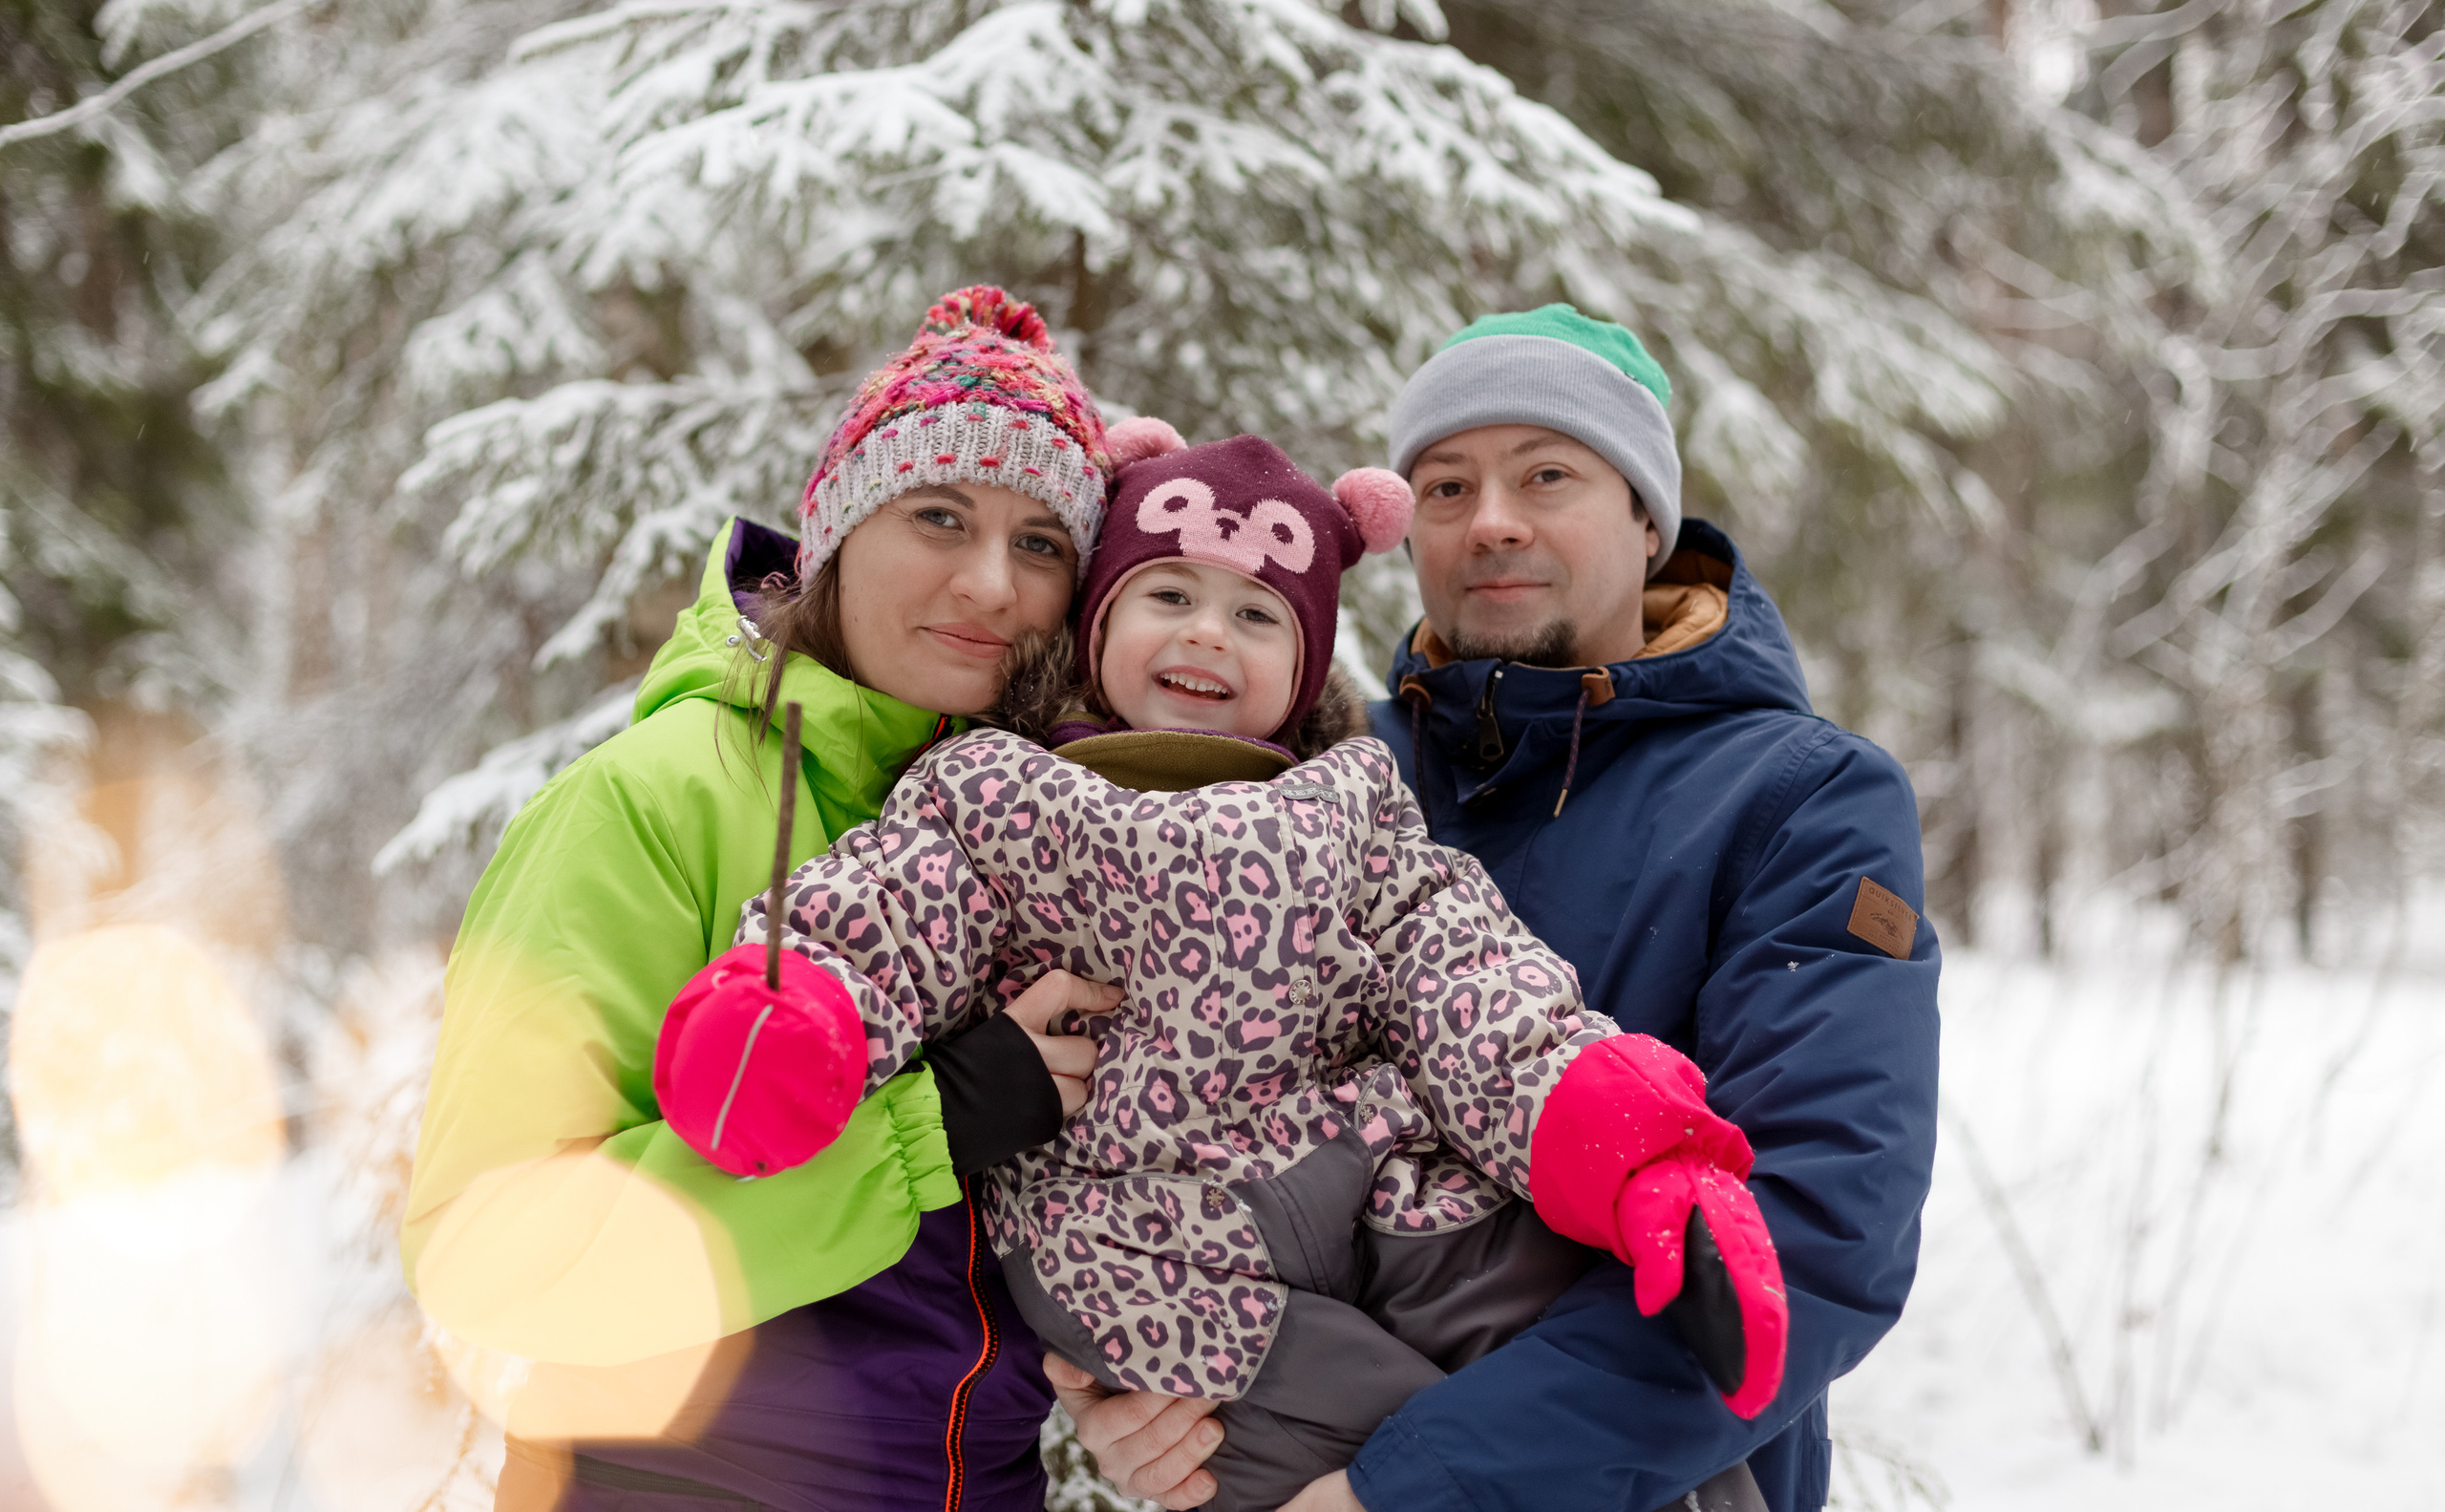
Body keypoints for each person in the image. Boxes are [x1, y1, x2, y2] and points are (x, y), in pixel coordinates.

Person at [654, 429, 1791, 1512]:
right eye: (1168, 596)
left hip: (1374, 1167)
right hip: (1148, 1250)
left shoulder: (1351, 802)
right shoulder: (996, 791)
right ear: (1096, 625)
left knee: (1569, 1359)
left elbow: (1466, 978)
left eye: (1256, 615)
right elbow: (886, 915)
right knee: (1343, 1449)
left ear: (1303, 672)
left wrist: (1621, 1139)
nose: (1207, 634)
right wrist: (791, 1016)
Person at [1059, 305, 1942, 1512]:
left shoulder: (1797, 798)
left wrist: (1408, 1491)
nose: (1491, 521)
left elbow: (1815, 1226)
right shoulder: (1322, 779)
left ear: (1647, 517)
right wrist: (1148, 1383)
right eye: (1446, 484)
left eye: (1546, 475)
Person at [402, 287, 1130, 1512]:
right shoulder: (650, 803)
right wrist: (920, 1136)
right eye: (939, 516)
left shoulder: (1063, 834)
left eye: (1042, 543)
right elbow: (492, 1256)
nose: (991, 585)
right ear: (837, 534)